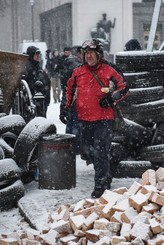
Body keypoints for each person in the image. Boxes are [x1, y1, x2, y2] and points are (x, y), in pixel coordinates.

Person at [60, 38, 128, 198]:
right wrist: (65, 107)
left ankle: (100, 185)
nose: (88, 57)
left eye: (91, 53)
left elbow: (124, 87)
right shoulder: (78, 72)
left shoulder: (110, 69)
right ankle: (106, 173)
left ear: (99, 54)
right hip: (84, 120)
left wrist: (111, 98)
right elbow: (69, 89)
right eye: (86, 54)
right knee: (87, 151)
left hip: (104, 120)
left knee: (100, 151)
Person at [60, 45, 83, 153]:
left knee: (71, 123)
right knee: (77, 124)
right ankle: (76, 147)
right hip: (79, 99)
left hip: (71, 99)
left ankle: (70, 146)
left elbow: (65, 89)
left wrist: (63, 106)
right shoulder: (78, 67)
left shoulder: (67, 65)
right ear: (79, 53)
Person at [23, 45, 51, 117]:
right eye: (36, 54)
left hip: (41, 100)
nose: (38, 56)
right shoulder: (28, 68)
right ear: (31, 55)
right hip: (35, 101)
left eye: (39, 54)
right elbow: (28, 84)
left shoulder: (38, 66)